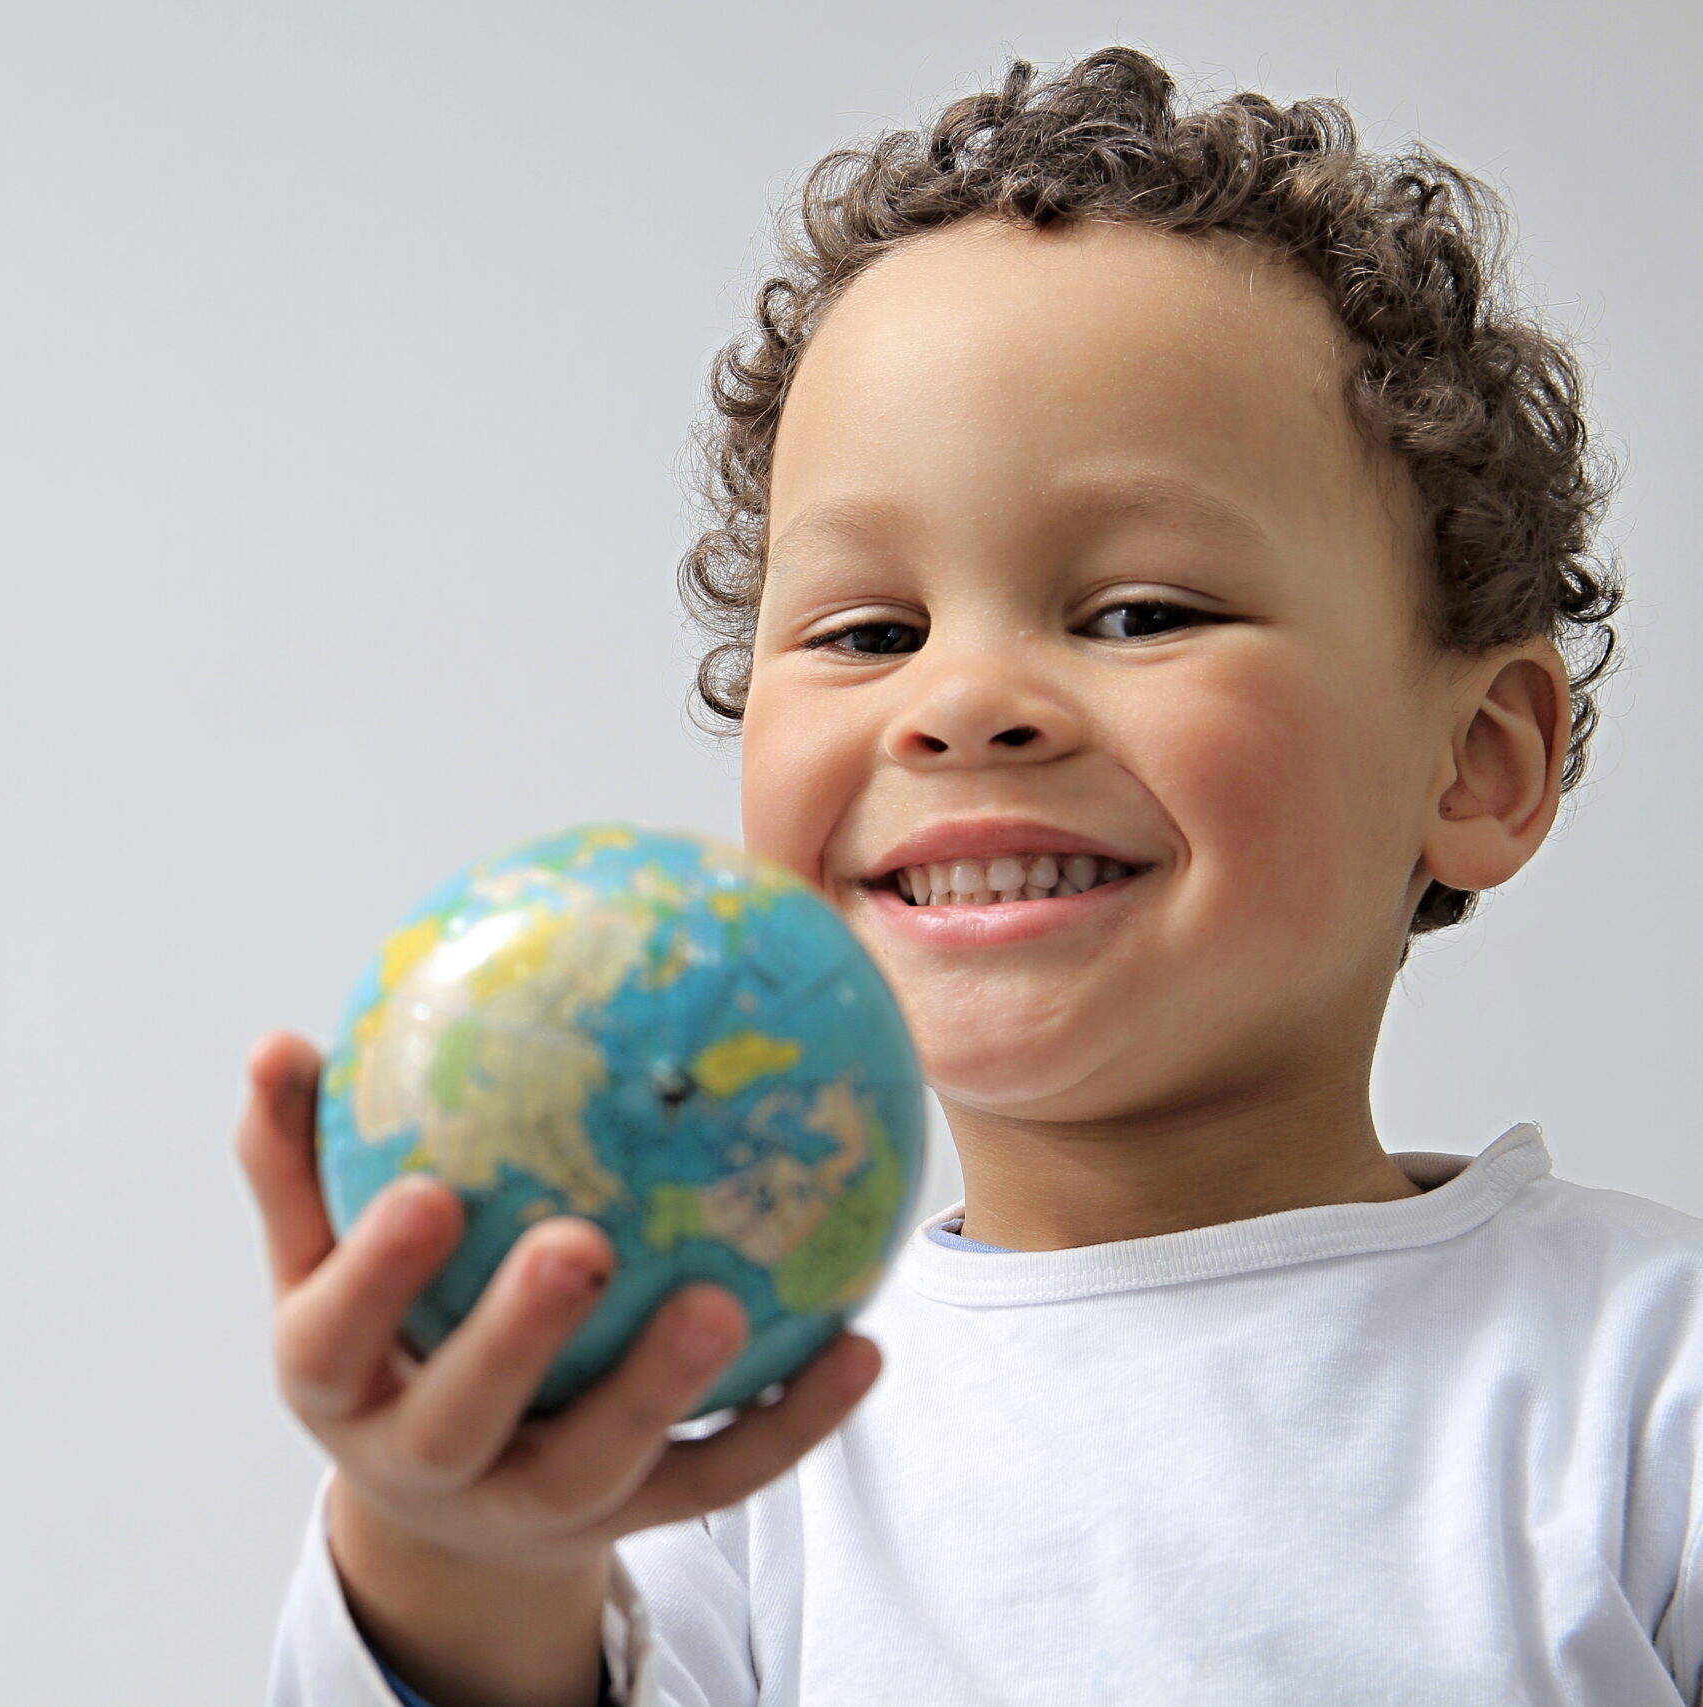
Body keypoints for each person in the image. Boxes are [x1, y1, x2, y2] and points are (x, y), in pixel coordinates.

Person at [236, 45, 1700, 1706]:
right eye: (868, 632)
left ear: (1479, 760)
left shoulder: (1652, 1385)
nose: (960, 705)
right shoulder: (699, 1434)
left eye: (1142, 611)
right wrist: (450, 1550)